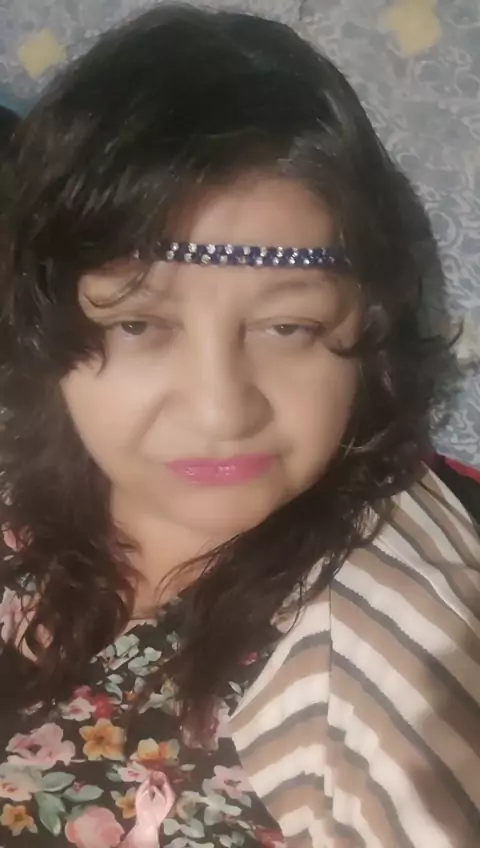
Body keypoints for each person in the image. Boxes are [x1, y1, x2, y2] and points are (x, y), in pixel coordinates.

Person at [0, 6, 478, 847]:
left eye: (287, 328)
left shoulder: (385, 667)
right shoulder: (26, 461)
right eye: (139, 324)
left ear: (369, 333)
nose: (222, 411)